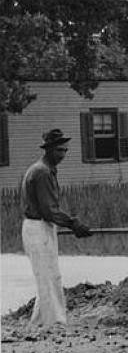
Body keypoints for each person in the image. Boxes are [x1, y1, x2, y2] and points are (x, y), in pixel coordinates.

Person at [20, 129, 93, 326]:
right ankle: (56, 324)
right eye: (59, 150)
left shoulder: (47, 170)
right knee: (47, 278)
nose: (63, 154)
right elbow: (49, 210)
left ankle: (39, 322)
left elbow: (50, 212)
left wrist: (71, 223)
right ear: (49, 150)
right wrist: (72, 223)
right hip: (37, 228)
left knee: (50, 276)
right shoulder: (41, 172)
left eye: (65, 150)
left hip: (44, 227)